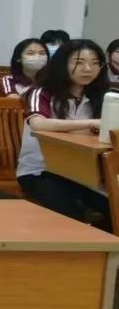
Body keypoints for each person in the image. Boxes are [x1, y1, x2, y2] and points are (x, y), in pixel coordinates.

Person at [18, 40, 109, 228]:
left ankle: (96, 241)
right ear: (62, 64)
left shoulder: (102, 97)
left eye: (95, 63)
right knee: (71, 215)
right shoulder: (41, 92)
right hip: (40, 171)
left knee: (113, 208)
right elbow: (38, 124)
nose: (88, 68)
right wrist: (91, 123)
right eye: (79, 62)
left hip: (84, 172)